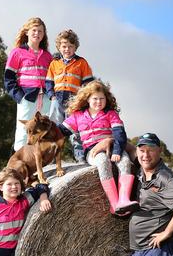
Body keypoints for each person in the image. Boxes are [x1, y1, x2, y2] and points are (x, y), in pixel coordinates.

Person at [58, 80, 138, 215]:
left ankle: (124, 200)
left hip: (114, 147)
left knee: (124, 162)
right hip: (92, 151)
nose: (99, 102)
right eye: (95, 98)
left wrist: (118, 151)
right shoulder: (77, 116)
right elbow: (61, 131)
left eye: (102, 99)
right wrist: (44, 128)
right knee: (102, 161)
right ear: (87, 99)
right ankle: (114, 203)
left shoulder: (111, 114)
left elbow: (120, 134)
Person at [4, 17, 53, 152]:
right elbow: (8, 80)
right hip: (27, 97)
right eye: (34, 30)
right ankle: (21, 164)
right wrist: (20, 97)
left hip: (45, 99)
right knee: (23, 130)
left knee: (45, 130)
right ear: (27, 32)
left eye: (40, 32)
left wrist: (52, 95)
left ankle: (43, 162)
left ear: (44, 35)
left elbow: (52, 78)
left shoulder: (48, 56)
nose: (37, 34)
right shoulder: (17, 52)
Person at [44, 29, 94, 162]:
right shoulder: (54, 63)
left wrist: (82, 100)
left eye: (70, 46)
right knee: (54, 128)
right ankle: (52, 159)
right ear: (59, 47)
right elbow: (48, 82)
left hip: (74, 100)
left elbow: (88, 83)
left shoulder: (81, 62)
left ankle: (80, 157)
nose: (67, 49)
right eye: (64, 46)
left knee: (75, 130)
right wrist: (52, 96)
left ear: (75, 47)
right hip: (57, 99)